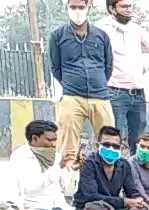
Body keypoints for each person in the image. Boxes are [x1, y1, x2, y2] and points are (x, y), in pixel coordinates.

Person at [47, 0, 114, 166]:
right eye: (73, 7)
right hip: (71, 96)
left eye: (81, 7)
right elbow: (55, 67)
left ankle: (107, 182)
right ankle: (67, 183)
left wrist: (97, 81)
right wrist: (71, 81)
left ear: (88, 7)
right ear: (67, 7)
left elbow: (108, 66)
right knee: (67, 145)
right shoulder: (57, 36)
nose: (77, 11)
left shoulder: (101, 36)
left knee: (109, 143)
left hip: (100, 96)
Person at [10, 120, 86, 210]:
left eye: (55, 140)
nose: (53, 144)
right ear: (34, 138)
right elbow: (30, 187)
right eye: (49, 140)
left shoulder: (56, 157)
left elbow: (69, 190)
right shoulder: (20, 157)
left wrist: (74, 170)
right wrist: (58, 168)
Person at [95, 0, 149, 146]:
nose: (129, 10)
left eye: (130, 6)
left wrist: (145, 66)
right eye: (124, 6)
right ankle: (114, 168)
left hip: (138, 94)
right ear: (112, 8)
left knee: (139, 140)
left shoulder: (136, 29)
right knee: (114, 138)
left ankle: (135, 169)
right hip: (115, 93)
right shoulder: (101, 28)